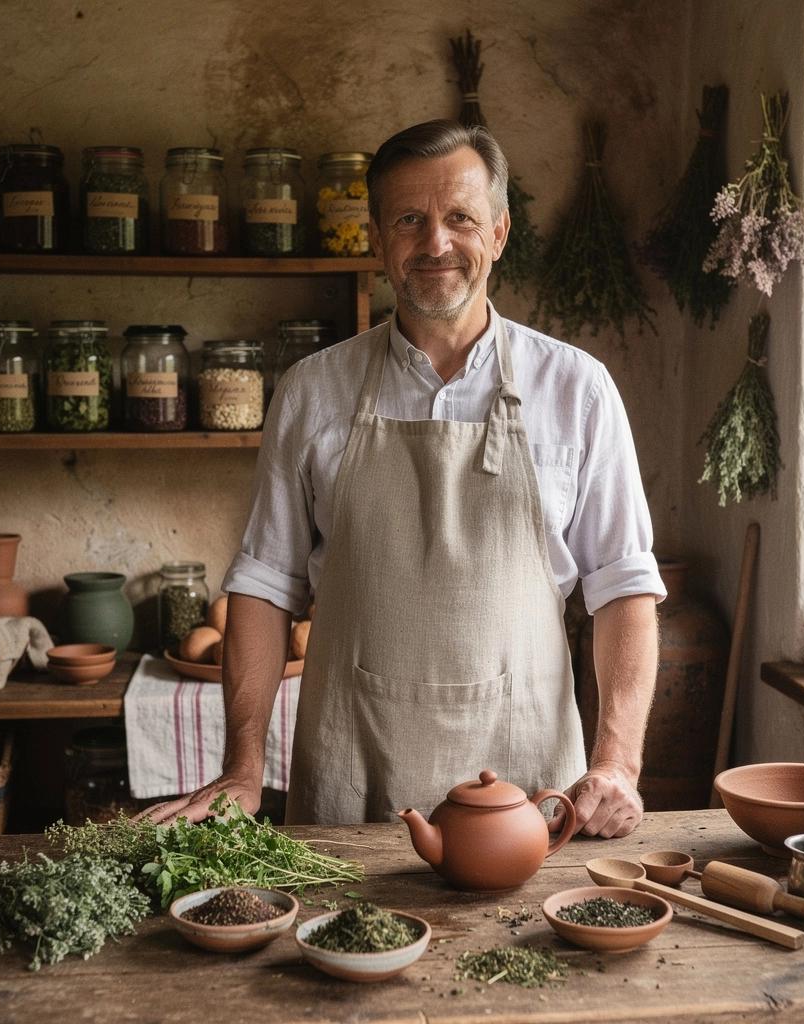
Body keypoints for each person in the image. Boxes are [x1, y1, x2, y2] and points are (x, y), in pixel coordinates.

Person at [140, 119, 665, 838]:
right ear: (379, 237)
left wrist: (616, 763)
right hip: (350, 787)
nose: (436, 244)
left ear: (500, 232)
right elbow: (263, 588)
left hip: (528, 796)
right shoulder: (312, 391)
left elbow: (624, 589)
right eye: (410, 220)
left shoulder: (577, 389)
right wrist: (243, 768)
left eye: (460, 218)